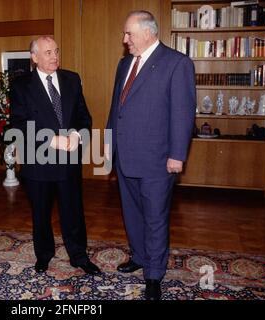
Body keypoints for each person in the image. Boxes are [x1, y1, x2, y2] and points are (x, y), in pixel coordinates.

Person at [105, 11, 196, 300]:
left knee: (155, 217)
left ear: (148, 32)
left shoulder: (177, 63)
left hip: (158, 158)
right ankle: (140, 257)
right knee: (131, 213)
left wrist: (177, 155)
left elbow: (183, 114)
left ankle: (154, 274)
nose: (124, 40)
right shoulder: (124, 64)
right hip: (125, 155)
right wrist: (108, 143)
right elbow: (116, 107)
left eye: (128, 34)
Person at [10, 36, 101, 275]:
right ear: (34, 57)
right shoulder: (21, 85)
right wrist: (51, 139)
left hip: (69, 160)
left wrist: (77, 137)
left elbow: (84, 117)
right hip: (38, 161)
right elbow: (18, 125)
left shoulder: (72, 79)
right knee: (40, 213)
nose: (54, 57)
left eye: (56, 51)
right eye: (48, 52)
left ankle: (79, 256)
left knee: (73, 211)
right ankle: (44, 255)